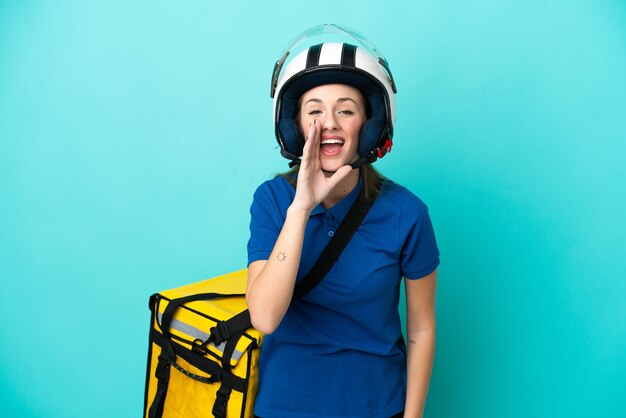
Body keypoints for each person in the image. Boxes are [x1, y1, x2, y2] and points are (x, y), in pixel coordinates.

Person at [246, 24, 440, 418]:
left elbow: (421, 328)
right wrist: (301, 207)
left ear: (368, 127)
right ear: (294, 127)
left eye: (346, 110)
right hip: (285, 408)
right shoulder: (272, 200)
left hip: (375, 406)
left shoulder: (407, 212)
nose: (329, 122)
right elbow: (264, 317)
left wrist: (413, 416)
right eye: (314, 110)